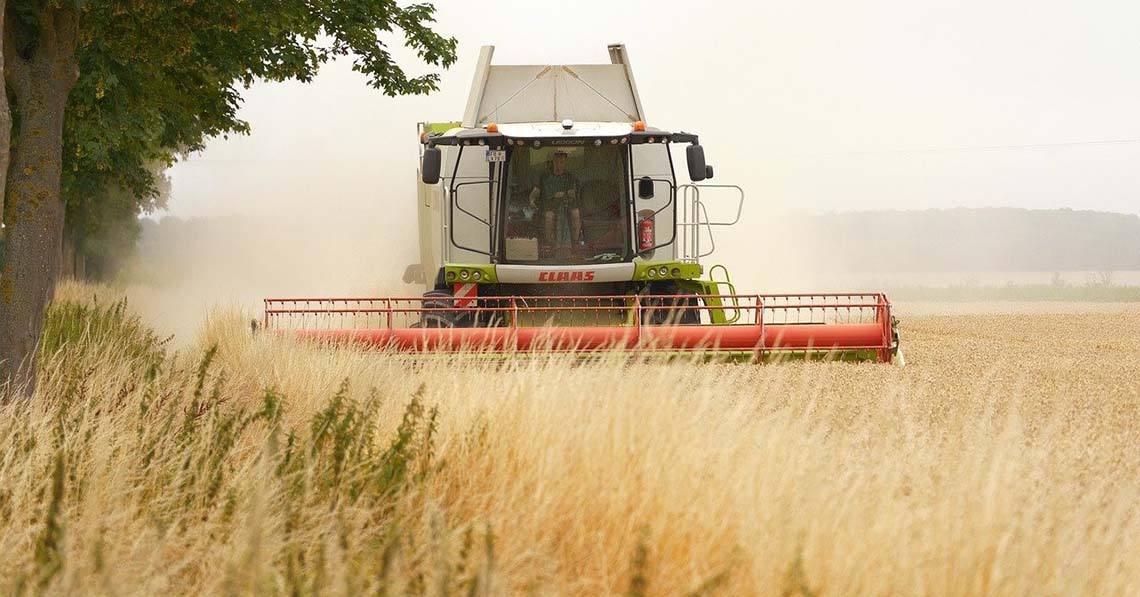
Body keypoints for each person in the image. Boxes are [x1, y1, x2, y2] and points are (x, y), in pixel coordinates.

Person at [528, 149, 582, 247]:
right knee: (549, 216)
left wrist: (569, 194)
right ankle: (551, 245)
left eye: (561, 162)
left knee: (576, 213)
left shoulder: (570, 178)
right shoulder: (544, 177)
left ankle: (575, 243)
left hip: (567, 206)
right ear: (553, 161)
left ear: (565, 163)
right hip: (550, 207)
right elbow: (535, 191)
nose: (559, 165)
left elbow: (574, 195)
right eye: (556, 162)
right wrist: (532, 200)